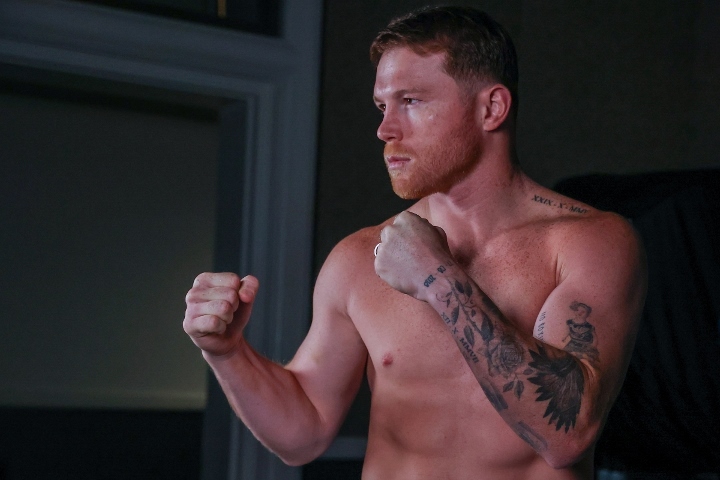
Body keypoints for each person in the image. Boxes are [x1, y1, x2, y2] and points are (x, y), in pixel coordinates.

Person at [183, 6, 646, 479]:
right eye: (382, 106)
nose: (386, 130)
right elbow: (304, 434)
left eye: (411, 101)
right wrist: (227, 352)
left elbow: (567, 435)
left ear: (491, 108)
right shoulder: (357, 259)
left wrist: (439, 278)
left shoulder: (588, 243)